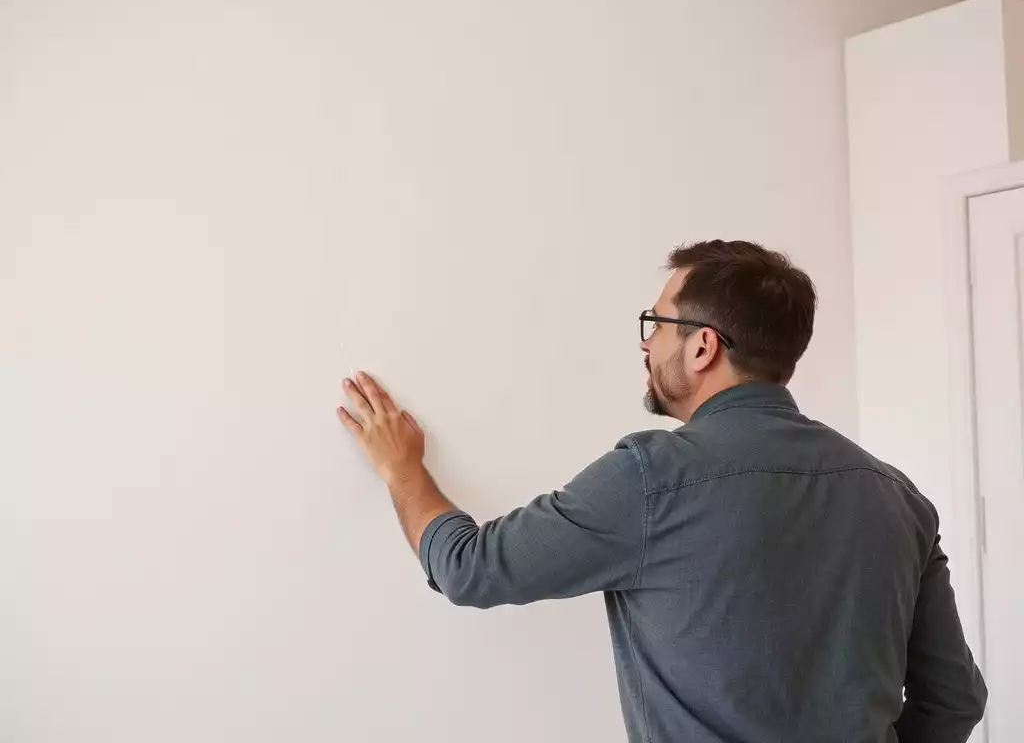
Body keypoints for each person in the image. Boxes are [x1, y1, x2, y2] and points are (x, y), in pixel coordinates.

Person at [336, 240, 987, 743]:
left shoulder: (652, 478)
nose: (646, 343)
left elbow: (469, 569)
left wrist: (403, 470)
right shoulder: (897, 497)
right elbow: (955, 695)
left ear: (703, 346)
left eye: (658, 322)